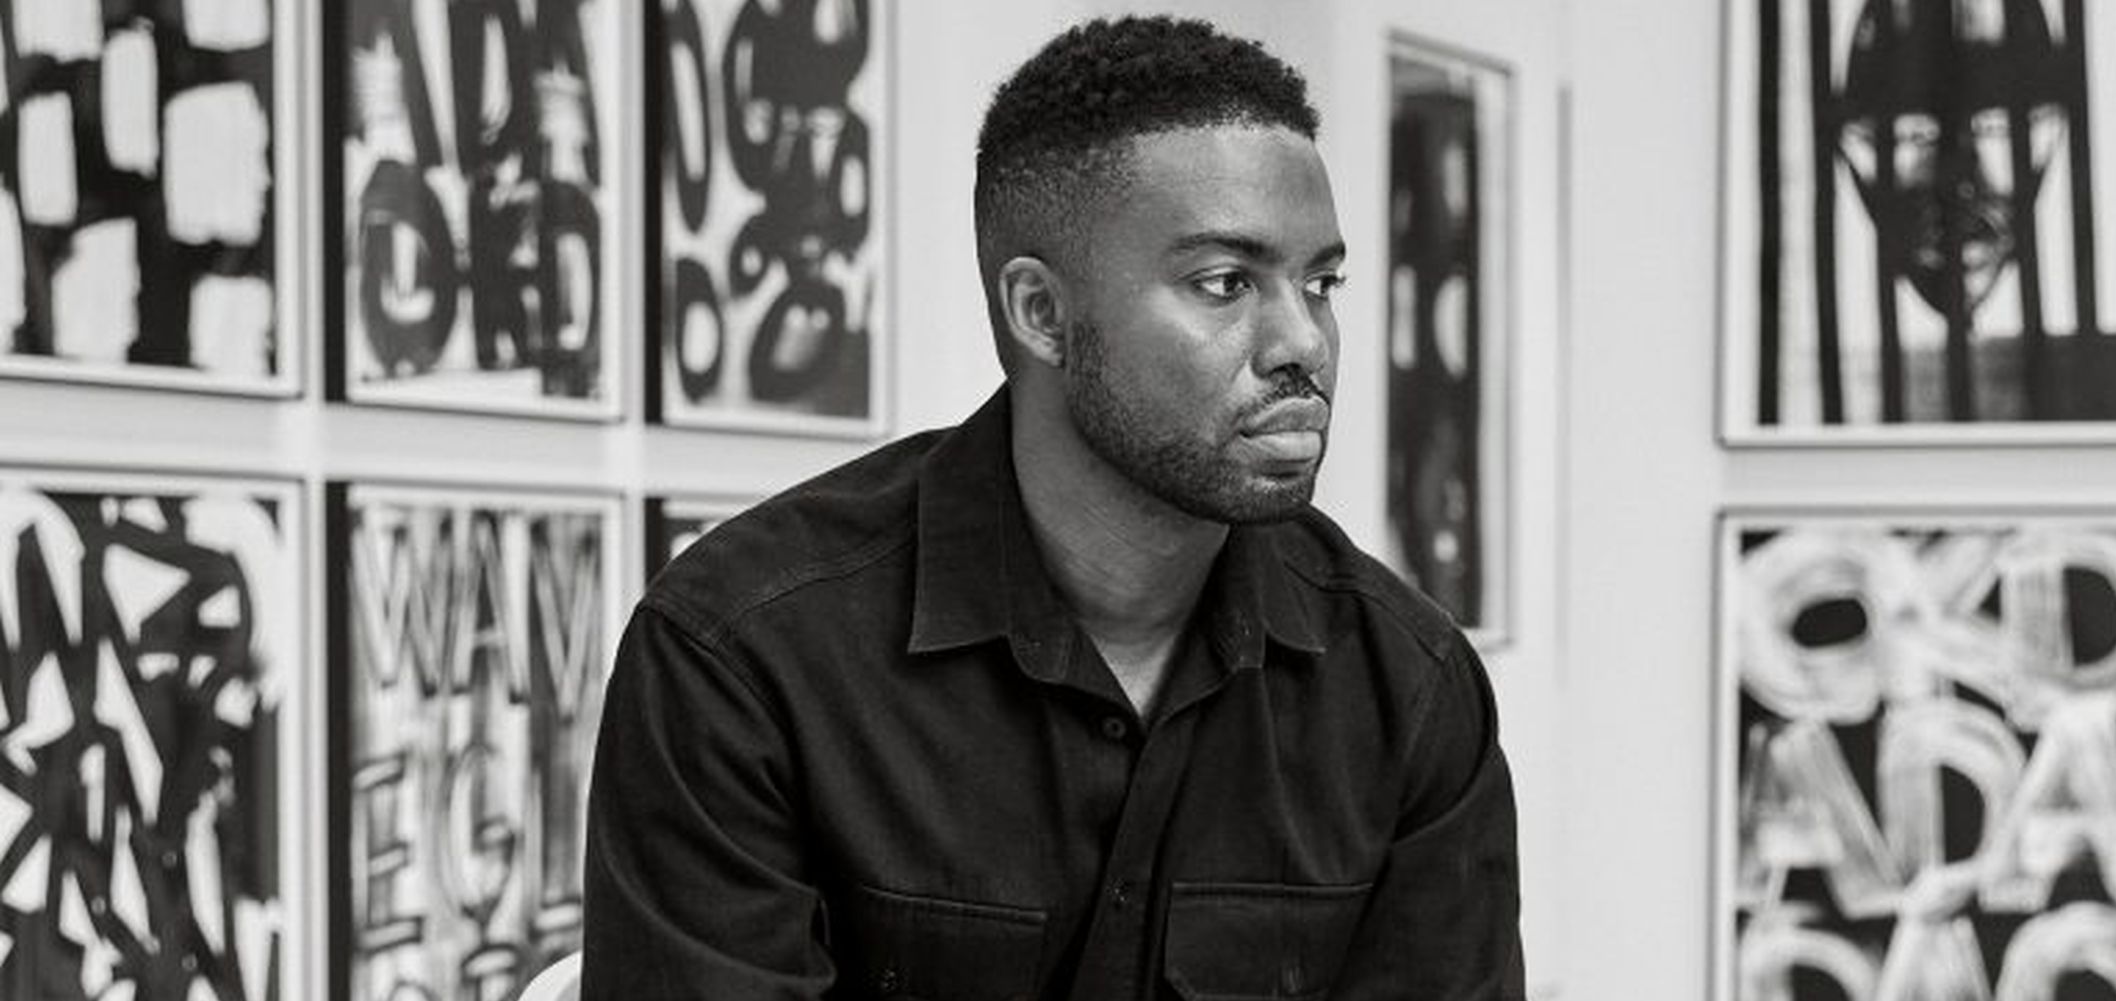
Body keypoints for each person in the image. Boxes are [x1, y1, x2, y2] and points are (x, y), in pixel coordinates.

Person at [583, 15, 1524, 999]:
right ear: (1040, 312)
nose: (1306, 342)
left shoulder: (1407, 685)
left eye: (1320, 281)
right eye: (1224, 284)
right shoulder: (744, 655)